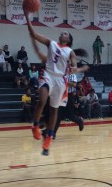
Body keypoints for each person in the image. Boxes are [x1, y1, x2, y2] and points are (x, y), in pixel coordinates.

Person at [25, 19, 89, 155]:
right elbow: (34, 34)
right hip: (48, 75)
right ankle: (35, 126)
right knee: (42, 100)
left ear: (69, 39)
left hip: (60, 81)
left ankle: (48, 137)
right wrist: (27, 16)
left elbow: (73, 65)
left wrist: (77, 68)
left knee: (55, 111)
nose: (62, 33)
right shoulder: (52, 43)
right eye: (62, 32)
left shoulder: (70, 51)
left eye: (65, 33)